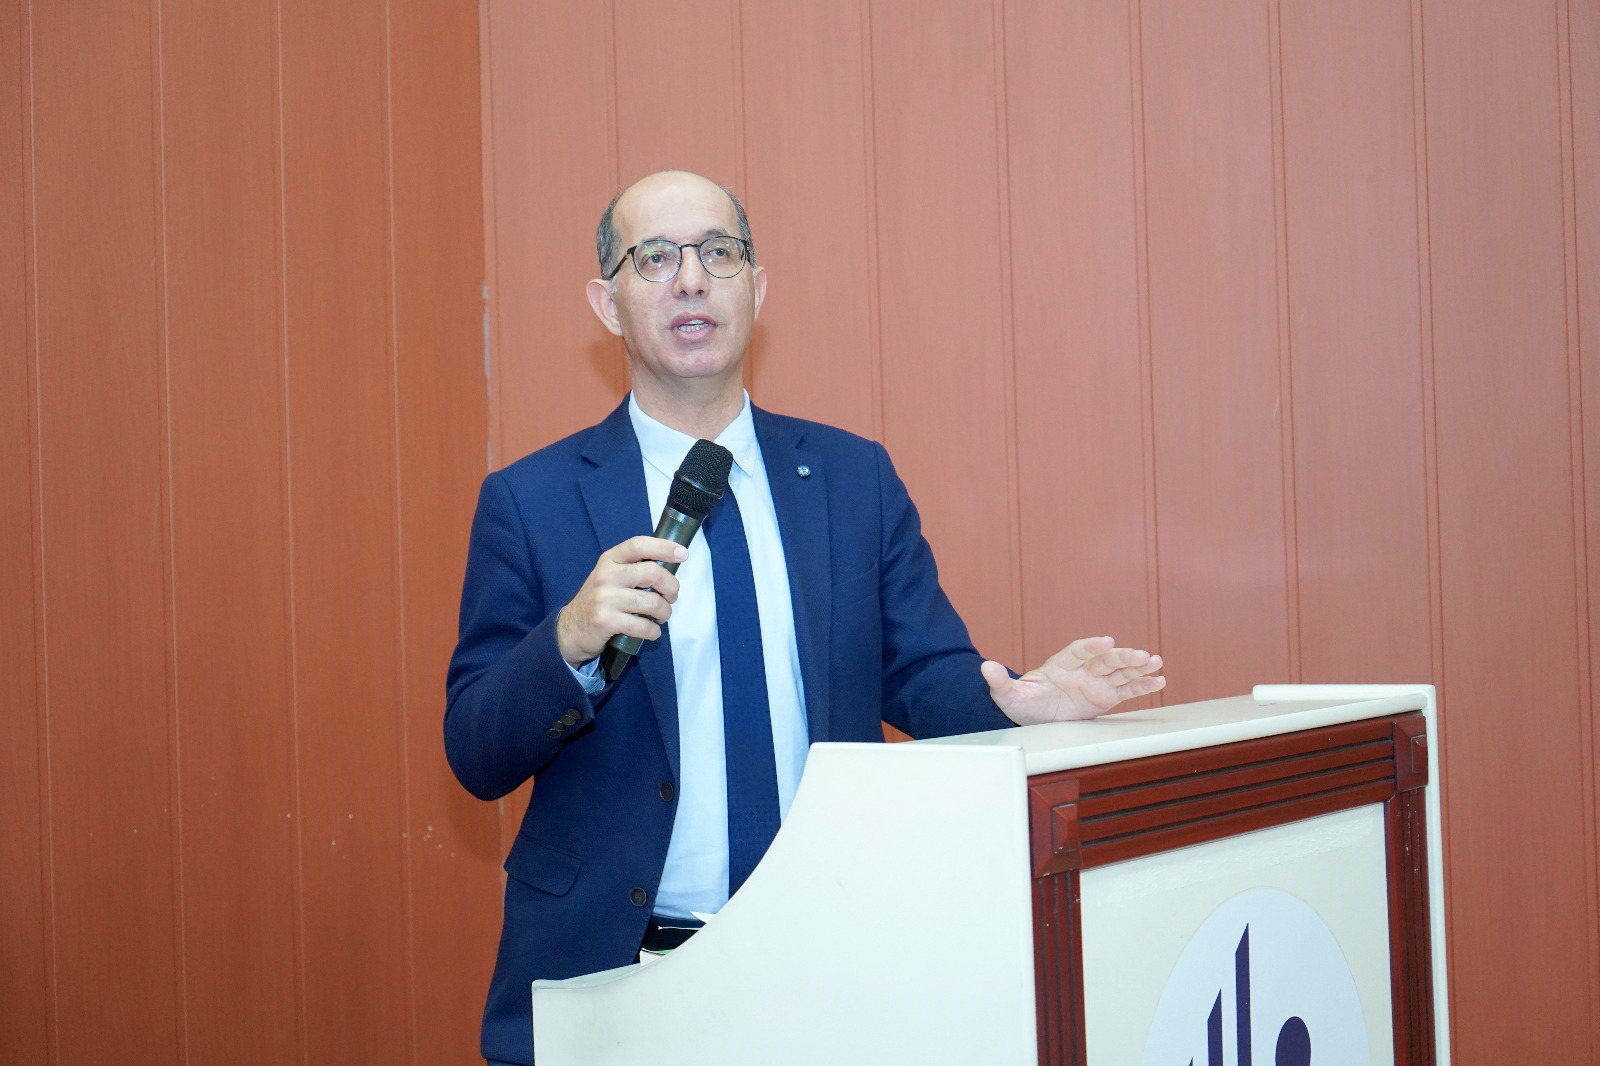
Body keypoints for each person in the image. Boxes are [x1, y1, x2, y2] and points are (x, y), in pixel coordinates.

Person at [444, 170, 1166, 1065]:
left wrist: (1018, 704)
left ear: (757, 288)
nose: (692, 279)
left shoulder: (852, 479)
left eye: (719, 253)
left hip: (831, 967)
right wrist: (567, 643)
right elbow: (475, 752)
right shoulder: (532, 501)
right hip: (616, 976)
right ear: (607, 303)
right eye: (655, 258)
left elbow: (921, 673)